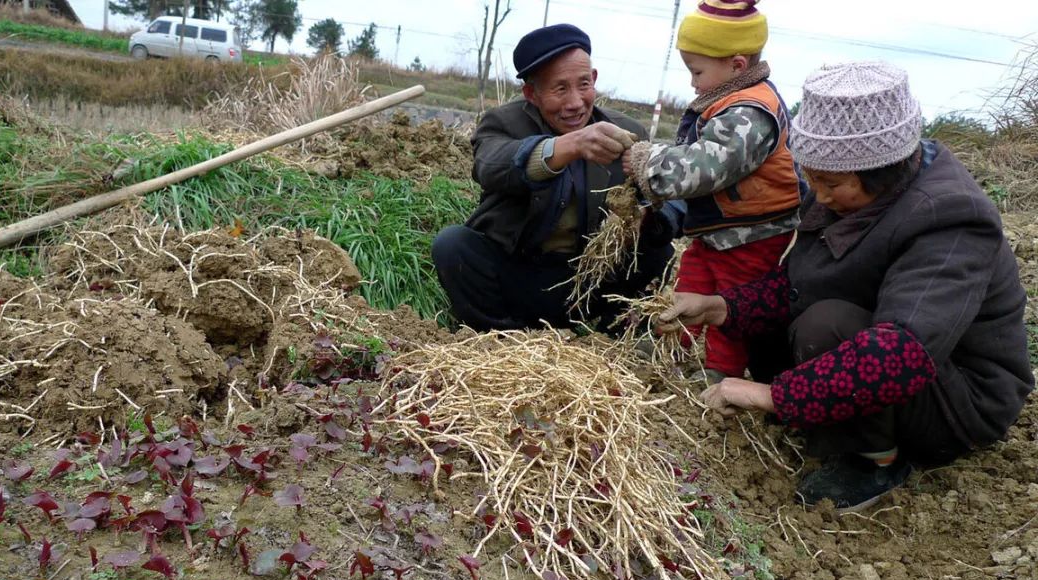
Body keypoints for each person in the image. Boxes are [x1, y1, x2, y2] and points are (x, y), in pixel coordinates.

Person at [658, 61, 1034, 511]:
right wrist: (721, 307)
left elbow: (903, 353)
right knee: (791, 324)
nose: (817, 192)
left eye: (830, 183)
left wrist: (771, 396)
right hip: (882, 356)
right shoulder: (847, 192)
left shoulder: (950, 219)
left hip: (958, 400)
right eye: (811, 176)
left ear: (883, 171)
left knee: (825, 324)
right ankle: (827, 417)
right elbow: (802, 284)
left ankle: (875, 461)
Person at [430, 23, 680, 333]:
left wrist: (649, 216)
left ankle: (615, 335)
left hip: (590, 283)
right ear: (531, 94)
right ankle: (501, 337)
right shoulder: (502, 123)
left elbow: (671, 199)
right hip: (522, 278)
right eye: (560, 89)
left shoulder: (625, 131)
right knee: (453, 245)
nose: (575, 102)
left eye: (584, 84)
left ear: (595, 80)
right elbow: (492, 165)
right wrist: (568, 146)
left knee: (660, 249)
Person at [623, 0, 802, 385]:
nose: (692, 82)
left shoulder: (750, 114)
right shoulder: (729, 100)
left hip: (754, 235)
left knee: (730, 302)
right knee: (692, 282)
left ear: (737, 65)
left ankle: (722, 373)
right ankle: (670, 347)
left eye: (697, 71)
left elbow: (702, 168)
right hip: (719, 231)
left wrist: (648, 162)